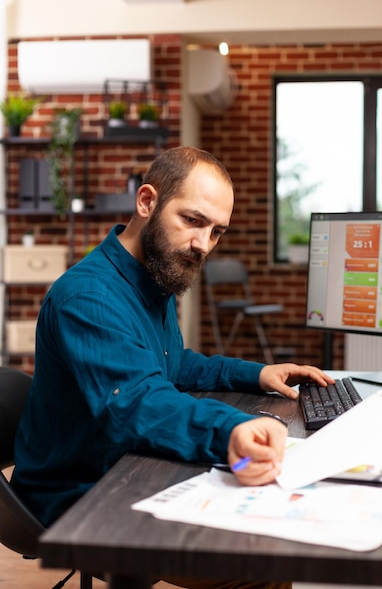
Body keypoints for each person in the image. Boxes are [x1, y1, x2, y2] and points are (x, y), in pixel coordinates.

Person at [12, 146, 333, 589]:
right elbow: (135, 403)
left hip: (121, 463)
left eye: (217, 231)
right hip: (77, 488)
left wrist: (257, 373)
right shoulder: (87, 298)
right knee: (257, 561)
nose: (203, 245)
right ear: (147, 202)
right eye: (193, 220)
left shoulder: (152, 277)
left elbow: (172, 364)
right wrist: (229, 430)